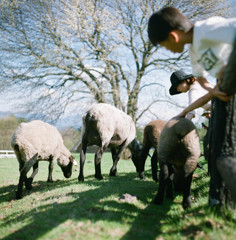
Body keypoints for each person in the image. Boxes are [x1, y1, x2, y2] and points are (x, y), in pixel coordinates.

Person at [148, 7, 236, 205]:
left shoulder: (208, 29)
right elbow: (203, 79)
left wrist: (230, 64)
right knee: (221, 152)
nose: (168, 50)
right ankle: (218, 199)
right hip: (225, 98)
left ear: (173, 36)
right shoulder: (194, 50)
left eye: (164, 45)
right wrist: (211, 90)